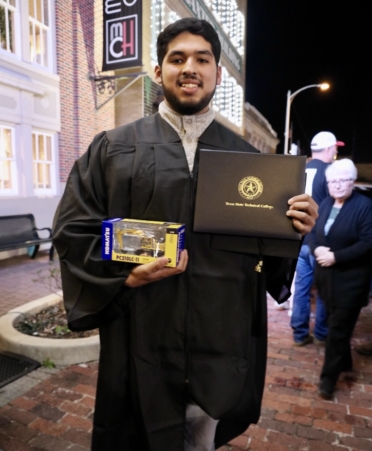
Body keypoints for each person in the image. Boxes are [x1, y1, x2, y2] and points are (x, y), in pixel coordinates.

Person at [52, 18, 318, 451]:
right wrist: (127, 277)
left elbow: (268, 264)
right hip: (141, 333)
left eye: (202, 59)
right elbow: (72, 232)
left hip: (219, 339)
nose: (189, 67)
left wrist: (294, 231)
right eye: (177, 59)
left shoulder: (253, 163)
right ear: (159, 72)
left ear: (216, 73)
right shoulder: (112, 149)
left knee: (199, 442)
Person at [311, 159, 372, 400]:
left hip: (351, 280)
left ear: (352, 181)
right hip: (326, 278)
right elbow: (313, 232)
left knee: (337, 329)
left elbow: (368, 243)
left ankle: (328, 379)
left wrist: (336, 256)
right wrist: (316, 250)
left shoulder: (365, 206)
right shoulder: (325, 203)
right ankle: (345, 362)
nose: (336, 185)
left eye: (342, 180)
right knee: (338, 324)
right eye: (332, 181)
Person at [290, 132, 344, 346]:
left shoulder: (298, 169)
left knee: (301, 289)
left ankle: (299, 334)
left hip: (299, 239)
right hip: (321, 241)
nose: (336, 152)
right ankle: (322, 333)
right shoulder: (331, 172)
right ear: (329, 149)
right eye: (335, 148)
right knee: (323, 290)